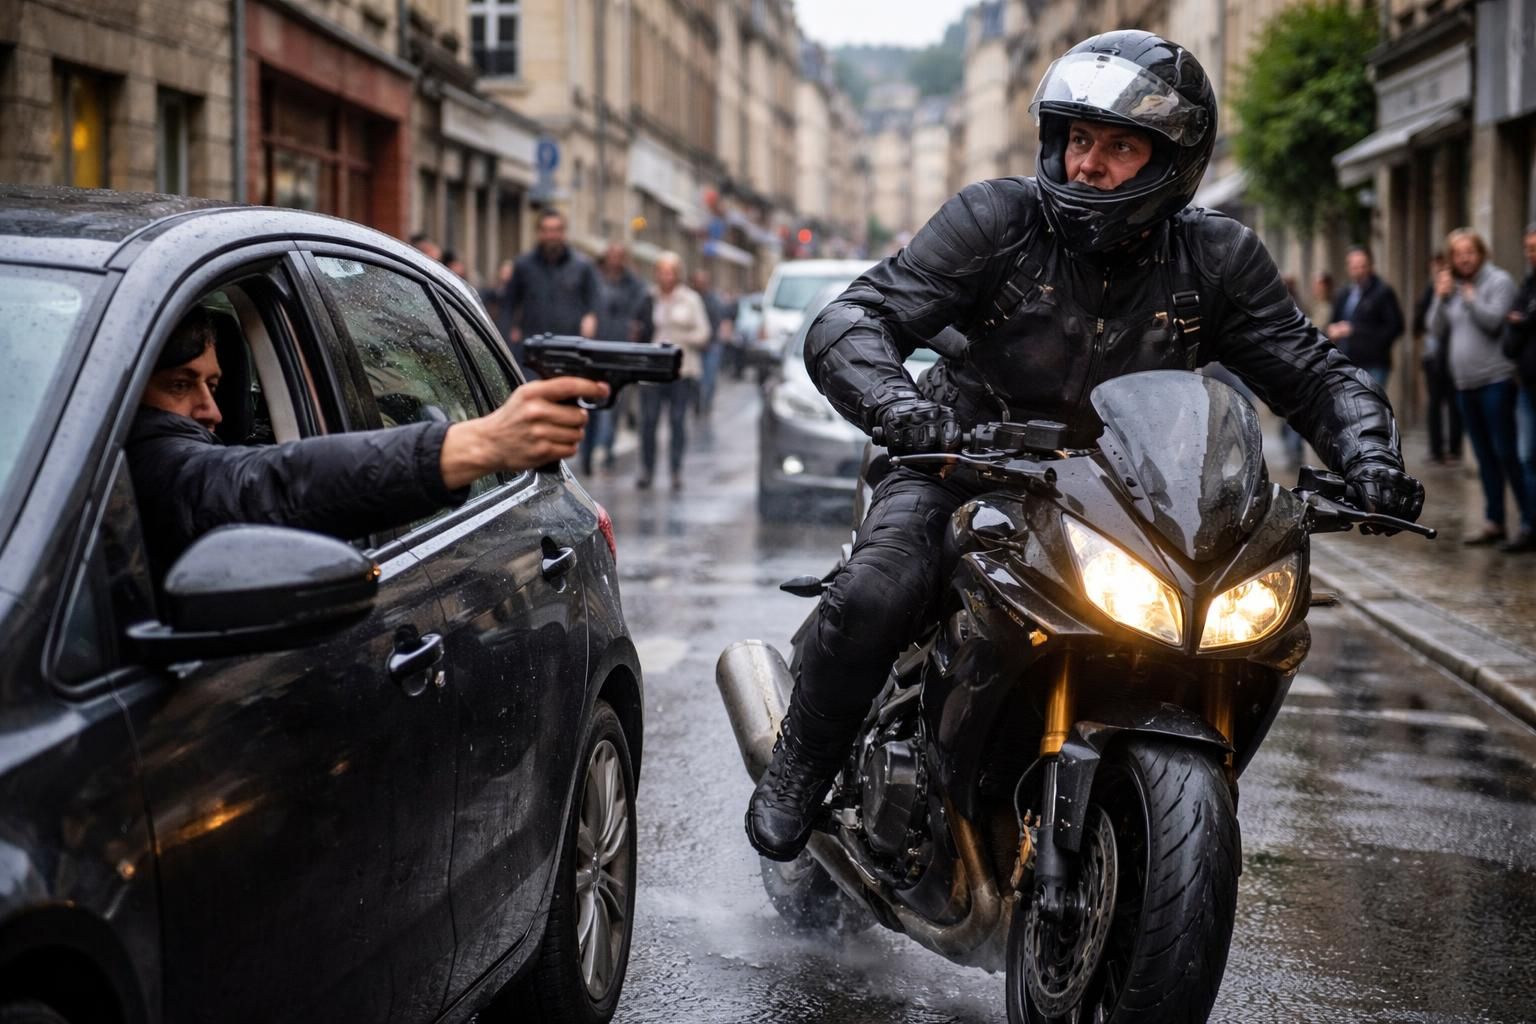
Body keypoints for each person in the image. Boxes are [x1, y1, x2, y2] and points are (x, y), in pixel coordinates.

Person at [745, 29, 1424, 863]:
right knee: (879, 591)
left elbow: (1314, 372)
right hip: (966, 461)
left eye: (1120, 146)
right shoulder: (997, 220)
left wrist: (1371, 457)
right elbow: (855, 318)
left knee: (1236, 627)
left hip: (1125, 493)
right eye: (1078, 140)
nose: (1087, 166)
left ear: (1174, 161)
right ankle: (803, 763)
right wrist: (899, 407)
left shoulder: (1216, 257)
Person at [129, 308, 607, 578]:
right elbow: (265, 484)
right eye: (178, 385)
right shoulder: (152, 467)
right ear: (125, 392)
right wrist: (477, 444)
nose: (212, 411)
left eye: (213, 386)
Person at [1427, 228, 1526, 549]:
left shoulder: (1498, 281)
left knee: (1507, 452)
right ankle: (1494, 521)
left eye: (1469, 251)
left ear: (1481, 252)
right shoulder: (1451, 287)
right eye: (1457, 253)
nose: (1464, 258)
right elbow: (1434, 328)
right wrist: (1441, 299)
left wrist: (1469, 298)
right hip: (1464, 384)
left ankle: (1528, 520)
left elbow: (1495, 321)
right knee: (1483, 456)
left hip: (1495, 380)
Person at [637, 252, 710, 491]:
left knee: (677, 421)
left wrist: (680, 339)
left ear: (677, 274)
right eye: (661, 271)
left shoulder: (690, 299)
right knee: (649, 421)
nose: (665, 276)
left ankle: (675, 471)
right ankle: (647, 469)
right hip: (653, 369)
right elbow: (639, 327)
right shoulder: (649, 297)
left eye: (670, 271)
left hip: (682, 369)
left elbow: (704, 333)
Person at [582, 243, 654, 475]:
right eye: (611, 255)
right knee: (589, 402)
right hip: (592, 350)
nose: (614, 260)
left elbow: (644, 314)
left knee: (613, 405)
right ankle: (587, 453)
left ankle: (607, 448)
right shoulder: (593, 280)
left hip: (620, 351)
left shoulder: (634, 286)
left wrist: (637, 331)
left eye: (619, 256)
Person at [504, 210, 600, 372]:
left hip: (570, 348)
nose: (551, 235)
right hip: (533, 350)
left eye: (556, 230)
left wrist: (591, 317)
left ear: (563, 232)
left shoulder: (583, 266)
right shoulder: (523, 265)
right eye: (546, 230)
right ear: (539, 233)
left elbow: (594, 301)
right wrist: (509, 335)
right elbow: (509, 304)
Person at [1325, 246, 1404, 391]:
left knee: (1370, 408)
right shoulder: (1344, 293)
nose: (1358, 271)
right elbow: (1333, 322)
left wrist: (1355, 331)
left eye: (1362, 266)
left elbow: (1395, 327)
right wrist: (1332, 330)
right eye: (1354, 266)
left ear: (1370, 266)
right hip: (1347, 362)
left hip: (1373, 364)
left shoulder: (1382, 292)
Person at [1501, 225, 1536, 552]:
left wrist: (1523, 321)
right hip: (1527, 384)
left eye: (1535, 248)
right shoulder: (1526, 286)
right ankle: (1529, 526)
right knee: (1526, 456)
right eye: (1528, 248)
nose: (1531, 254)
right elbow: (1509, 342)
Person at [1416, 252, 1462, 465]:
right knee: (1434, 403)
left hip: (1455, 357)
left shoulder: (1462, 294)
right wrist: (1438, 297)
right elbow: (1429, 324)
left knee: (1454, 403)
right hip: (1434, 356)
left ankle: (1454, 448)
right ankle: (1436, 448)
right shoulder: (1431, 292)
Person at [690, 268, 734, 421]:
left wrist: (709, 340)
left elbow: (717, 322)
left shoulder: (713, 300)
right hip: (695, 346)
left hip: (711, 345)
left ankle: (706, 404)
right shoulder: (690, 299)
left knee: (709, 379)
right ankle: (697, 403)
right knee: (695, 380)